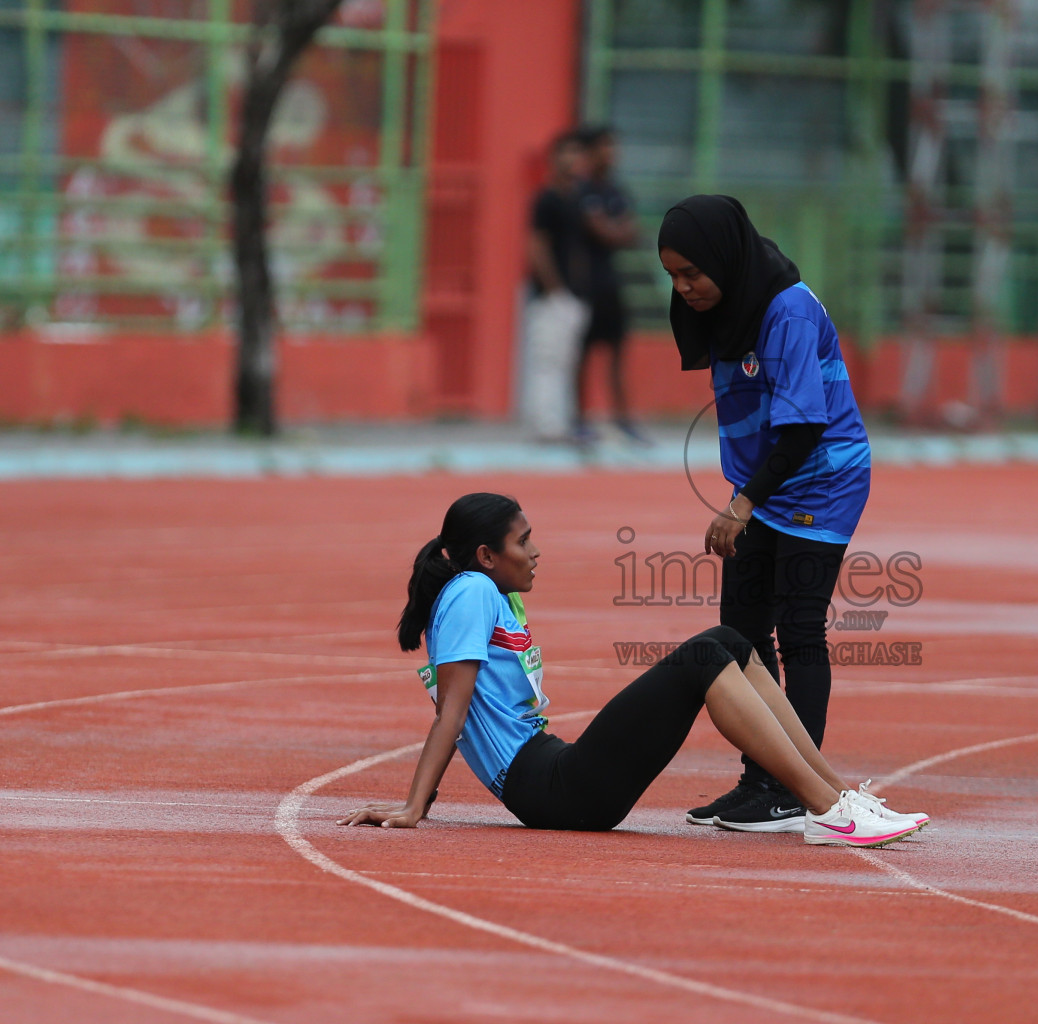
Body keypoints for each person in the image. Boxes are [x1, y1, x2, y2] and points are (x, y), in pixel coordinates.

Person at [338, 492, 926, 847]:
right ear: (487, 556)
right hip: (552, 790)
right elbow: (453, 713)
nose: (536, 552)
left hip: (555, 773)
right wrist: (417, 807)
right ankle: (827, 812)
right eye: (524, 542)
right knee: (705, 656)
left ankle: (835, 797)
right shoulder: (470, 591)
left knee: (727, 639)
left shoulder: (486, 590)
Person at [657, 195, 874, 833]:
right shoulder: (727, 308)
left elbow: (805, 426)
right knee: (742, 635)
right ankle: (762, 782)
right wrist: (747, 494)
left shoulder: (789, 309)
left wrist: (742, 503)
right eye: (671, 275)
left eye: (693, 273)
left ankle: (795, 789)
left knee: (800, 630)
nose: (684, 288)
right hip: (763, 484)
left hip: (822, 478)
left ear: (726, 257)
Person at [573, 125, 645, 444]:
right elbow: (603, 232)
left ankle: (623, 418)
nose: (611, 153)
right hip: (585, 285)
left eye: (613, 146)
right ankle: (579, 418)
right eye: (604, 147)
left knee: (617, 351)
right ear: (590, 153)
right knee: (582, 353)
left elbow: (631, 233)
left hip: (611, 284)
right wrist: (612, 230)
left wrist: (612, 230)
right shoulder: (581, 192)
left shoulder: (617, 191)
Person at [522, 132, 591, 441]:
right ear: (554, 159)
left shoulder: (576, 199)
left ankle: (560, 422)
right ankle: (545, 425)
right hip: (553, 296)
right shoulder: (546, 199)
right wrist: (555, 289)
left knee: (565, 360)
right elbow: (537, 245)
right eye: (567, 153)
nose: (572, 160)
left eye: (577, 154)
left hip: (574, 295)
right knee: (547, 359)